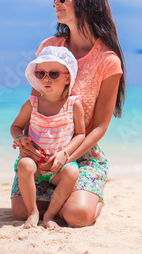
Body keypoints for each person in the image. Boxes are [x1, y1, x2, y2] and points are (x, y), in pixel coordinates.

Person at [11, 0, 126, 228]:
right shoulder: (49, 47)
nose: (56, 2)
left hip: (80, 155)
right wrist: (26, 144)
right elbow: (36, 103)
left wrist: (66, 155)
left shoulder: (108, 60)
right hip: (44, 152)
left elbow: (99, 127)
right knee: (21, 212)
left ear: (88, 4)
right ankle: (64, 197)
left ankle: (87, 194)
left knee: (77, 216)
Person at [11, 46, 85, 229]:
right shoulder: (32, 104)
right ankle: (32, 212)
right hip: (35, 164)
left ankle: (50, 215)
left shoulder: (73, 105)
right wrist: (20, 137)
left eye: (53, 74)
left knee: (72, 172)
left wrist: (65, 154)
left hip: (59, 166)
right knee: (24, 164)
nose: (45, 78)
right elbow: (15, 126)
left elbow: (81, 134)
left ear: (68, 78)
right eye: (40, 73)